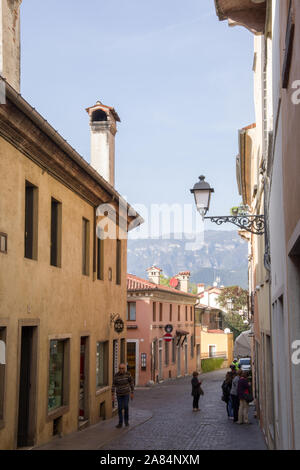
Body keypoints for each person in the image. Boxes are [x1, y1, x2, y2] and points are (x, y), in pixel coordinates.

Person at [112, 363, 134, 428]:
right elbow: (113, 385)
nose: (121, 370)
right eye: (120, 368)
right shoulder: (116, 375)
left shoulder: (128, 374)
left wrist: (132, 392)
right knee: (120, 408)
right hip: (119, 394)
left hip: (126, 394)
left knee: (126, 406)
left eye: (122, 368)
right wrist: (112, 395)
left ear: (125, 368)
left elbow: (131, 382)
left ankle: (126, 421)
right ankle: (120, 423)